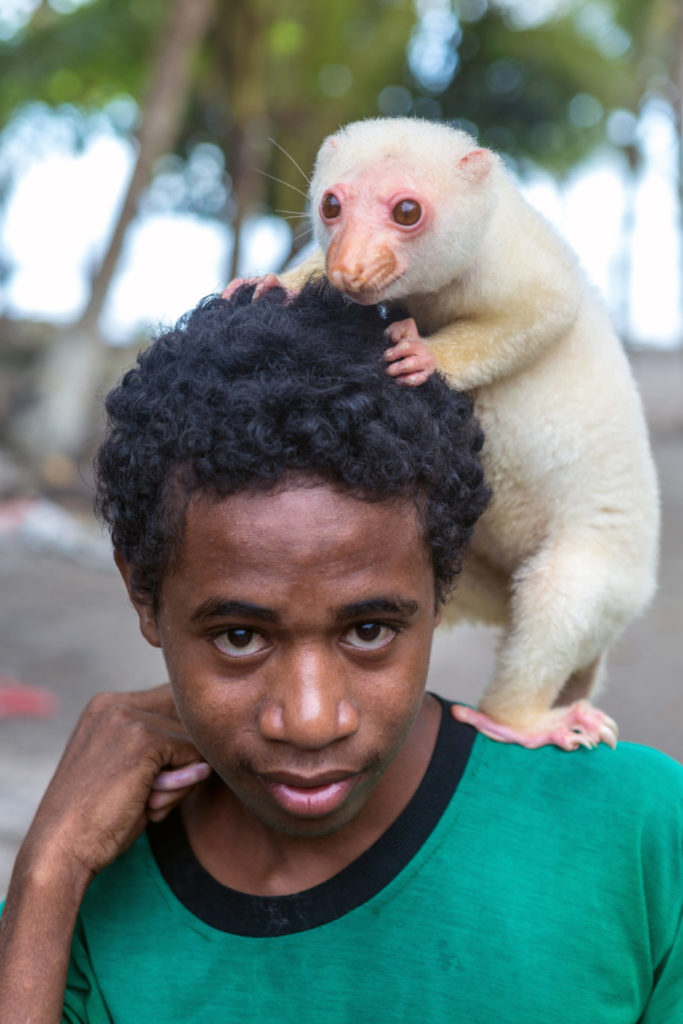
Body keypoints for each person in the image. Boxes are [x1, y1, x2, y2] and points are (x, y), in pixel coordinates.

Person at [1, 282, 681, 1023]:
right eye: (239, 637)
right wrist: (48, 871)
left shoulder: (635, 836)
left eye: (368, 631)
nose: (310, 718)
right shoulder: (72, 906)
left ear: (442, 578)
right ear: (144, 597)